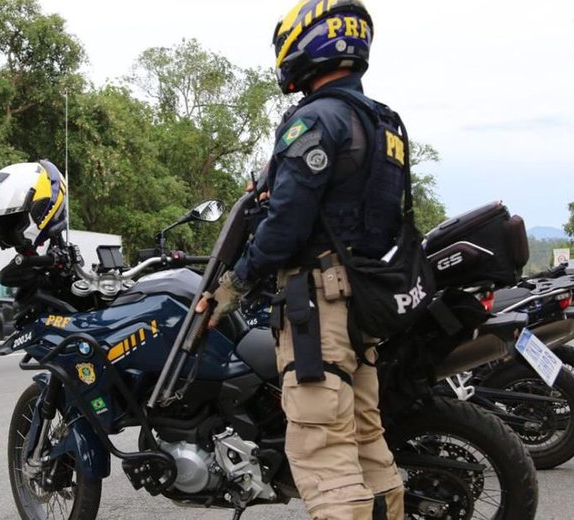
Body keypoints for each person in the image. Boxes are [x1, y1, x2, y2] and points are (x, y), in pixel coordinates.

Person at [197, 1, 405, 518]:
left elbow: (285, 227)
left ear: (308, 46)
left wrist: (236, 283)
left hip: (320, 311)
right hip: (364, 305)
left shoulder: (314, 120)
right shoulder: (386, 125)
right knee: (367, 446)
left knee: (324, 454)